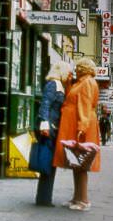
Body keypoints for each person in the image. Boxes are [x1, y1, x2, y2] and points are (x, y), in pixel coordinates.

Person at [54, 57, 101, 212]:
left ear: (83, 68)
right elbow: (74, 99)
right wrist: (68, 84)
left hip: (80, 126)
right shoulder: (82, 82)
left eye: (78, 67)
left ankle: (84, 200)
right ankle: (77, 197)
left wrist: (82, 127)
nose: (76, 70)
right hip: (76, 124)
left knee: (81, 164)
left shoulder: (87, 82)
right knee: (76, 163)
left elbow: (85, 106)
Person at [35, 60, 73, 207]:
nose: (70, 74)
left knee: (50, 164)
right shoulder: (53, 84)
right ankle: (43, 198)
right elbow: (45, 104)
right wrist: (44, 124)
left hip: (52, 127)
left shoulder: (60, 85)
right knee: (48, 163)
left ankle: (45, 197)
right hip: (49, 128)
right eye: (68, 72)